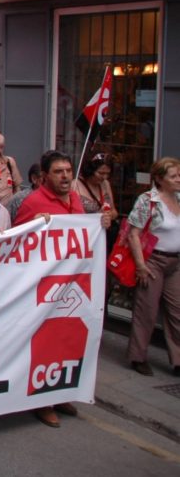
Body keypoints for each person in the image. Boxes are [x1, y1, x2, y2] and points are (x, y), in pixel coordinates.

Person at [12, 150, 85, 427]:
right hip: (43, 285)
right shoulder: (34, 202)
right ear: (44, 176)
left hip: (72, 283)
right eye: (59, 171)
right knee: (44, 343)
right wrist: (34, 226)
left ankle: (62, 390)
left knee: (68, 339)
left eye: (68, 170)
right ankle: (42, 401)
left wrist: (102, 221)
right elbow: (16, 244)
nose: (66, 176)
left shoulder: (76, 199)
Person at [126, 156, 180, 377]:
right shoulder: (147, 200)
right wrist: (140, 265)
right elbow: (134, 234)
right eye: (174, 176)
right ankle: (138, 357)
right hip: (153, 262)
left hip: (176, 263)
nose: (179, 179)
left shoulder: (179, 198)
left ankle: (178, 360)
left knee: (177, 312)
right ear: (159, 178)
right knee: (146, 311)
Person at [75, 153, 120, 246]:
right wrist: (96, 216)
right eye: (101, 173)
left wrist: (108, 215)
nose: (104, 177)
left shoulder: (105, 184)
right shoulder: (75, 186)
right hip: (86, 235)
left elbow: (114, 211)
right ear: (90, 170)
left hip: (105, 235)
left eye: (108, 173)